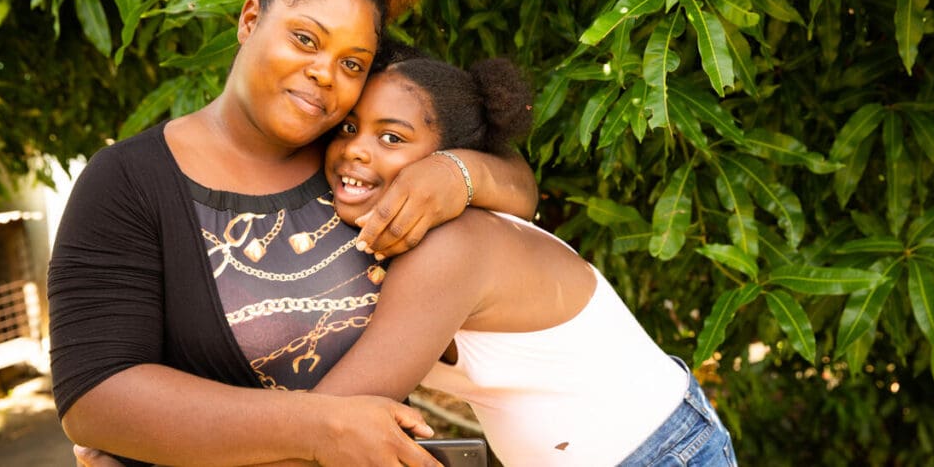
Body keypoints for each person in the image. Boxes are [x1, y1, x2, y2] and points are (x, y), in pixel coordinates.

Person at [48, 0, 538, 467]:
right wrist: (319, 429)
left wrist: (457, 173)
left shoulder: (352, 157)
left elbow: (517, 187)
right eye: (306, 39)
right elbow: (96, 395)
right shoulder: (128, 182)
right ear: (250, 19)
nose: (325, 74)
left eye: (352, 63)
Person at [305, 56, 739, 466]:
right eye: (347, 127)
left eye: (392, 138)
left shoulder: (453, 248)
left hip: (660, 452)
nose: (355, 150)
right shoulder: (396, 236)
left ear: (448, 157)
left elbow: (330, 421)